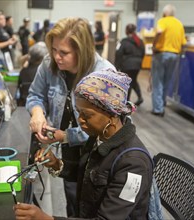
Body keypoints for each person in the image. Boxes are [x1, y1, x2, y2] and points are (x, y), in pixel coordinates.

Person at [14, 69, 153, 219]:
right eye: (79, 112)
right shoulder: (98, 136)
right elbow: (88, 174)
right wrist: (56, 163)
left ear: (112, 115)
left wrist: (47, 219)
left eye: (87, 115)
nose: (80, 120)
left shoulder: (133, 164)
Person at [25, 17, 115, 217]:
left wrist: (63, 136)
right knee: (72, 201)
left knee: (90, 206)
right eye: (54, 50)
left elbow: (106, 129)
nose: (56, 57)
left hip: (97, 155)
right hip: (69, 151)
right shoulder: (50, 64)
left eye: (63, 52)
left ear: (82, 51)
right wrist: (37, 112)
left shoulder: (104, 74)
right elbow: (35, 95)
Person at [151, 4, 187, 116]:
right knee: (166, 81)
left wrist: (154, 45)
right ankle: (162, 104)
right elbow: (184, 43)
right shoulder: (179, 24)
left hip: (162, 54)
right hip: (174, 55)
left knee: (157, 81)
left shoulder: (163, 20)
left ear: (165, 13)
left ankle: (158, 109)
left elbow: (159, 32)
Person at [115, 23, 145, 106]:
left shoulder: (123, 41)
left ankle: (126, 102)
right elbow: (143, 53)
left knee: (128, 83)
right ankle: (140, 97)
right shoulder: (140, 41)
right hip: (137, 65)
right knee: (133, 80)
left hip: (127, 65)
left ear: (126, 31)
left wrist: (116, 67)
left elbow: (119, 54)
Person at [16, 42, 47, 106]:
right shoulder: (43, 72)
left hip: (24, 103)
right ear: (42, 58)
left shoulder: (23, 71)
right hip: (40, 105)